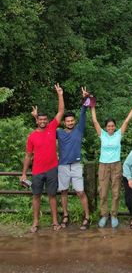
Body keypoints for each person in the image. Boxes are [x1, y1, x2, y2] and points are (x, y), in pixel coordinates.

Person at [31, 86, 91, 230]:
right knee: (63, 191)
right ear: (64, 122)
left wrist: (85, 99)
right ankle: (65, 215)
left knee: (80, 192)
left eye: (72, 120)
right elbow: (44, 130)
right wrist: (36, 117)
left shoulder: (79, 130)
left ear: (74, 121)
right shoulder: (58, 132)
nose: (70, 122)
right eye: (68, 121)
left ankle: (87, 217)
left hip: (76, 165)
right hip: (62, 166)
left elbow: (83, 113)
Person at [91, 98, 132, 228]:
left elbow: (127, 120)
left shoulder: (119, 134)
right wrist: (91, 105)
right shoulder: (102, 134)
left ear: (115, 126)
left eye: (112, 125)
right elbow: (95, 121)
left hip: (116, 165)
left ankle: (113, 215)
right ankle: (104, 215)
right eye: (108, 126)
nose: (111, 128)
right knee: (102, 192)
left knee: (116, 192)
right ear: (106, 127)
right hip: (103, 165)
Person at [20, 83, 64, 233]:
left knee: (52, 196)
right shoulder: (32, 136)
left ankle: (55, 222)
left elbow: (61, 111)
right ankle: (36, 222)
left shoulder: (52, 128)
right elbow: (28, 155)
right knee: (36, 196)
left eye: (45, 119)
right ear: (37, 120)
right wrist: (24, 173)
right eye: (41, 119)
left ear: (47, 120)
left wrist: (60, 94)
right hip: (37, 171)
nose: (43, 121)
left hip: (52, 169)